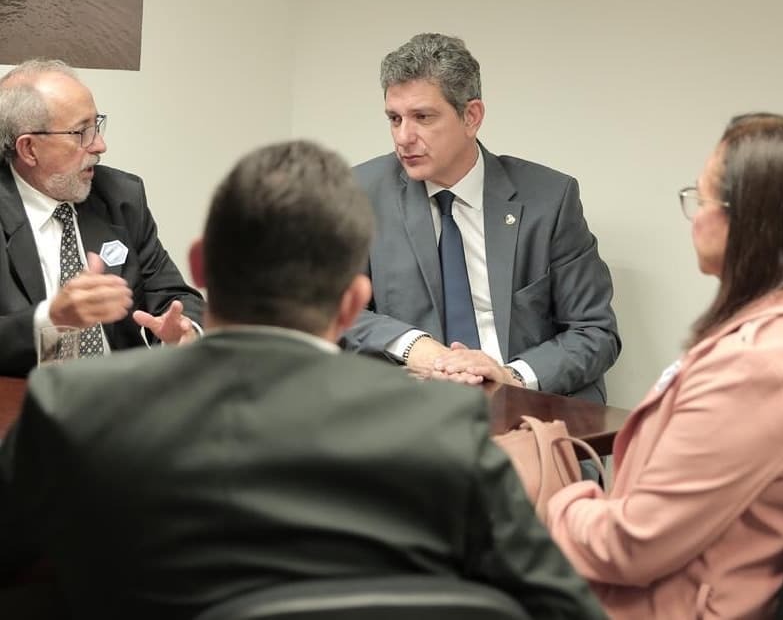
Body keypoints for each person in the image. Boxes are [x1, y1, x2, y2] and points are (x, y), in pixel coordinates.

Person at [0, 140, 606, 620]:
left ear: (203, 263)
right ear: (352, 305)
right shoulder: (443, 424)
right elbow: (559, 605)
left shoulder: (75, 404)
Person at [546, 113, 783, 619]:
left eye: (703, 198)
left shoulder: (756, 368)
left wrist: (555, 501)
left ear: (749, 220)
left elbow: (633, 546)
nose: (693, 215)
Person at [343, 32, 619, 399]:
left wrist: (511, 376)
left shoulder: (549, 199)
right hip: (414, 411)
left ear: (471, 116)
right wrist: (416, 347)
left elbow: (594, 332)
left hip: (525, 409)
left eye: (423, 117)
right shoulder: (362, 192)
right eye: (395, 119)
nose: (403, 137)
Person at [0, 59, 203, 375]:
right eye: (81, 132)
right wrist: (52, 320)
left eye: (97, 125)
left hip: (120, 398)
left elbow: (172, 295)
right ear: (29, 149)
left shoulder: (120, 196)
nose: (100, 145)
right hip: (26, 403)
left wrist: (184, 330)